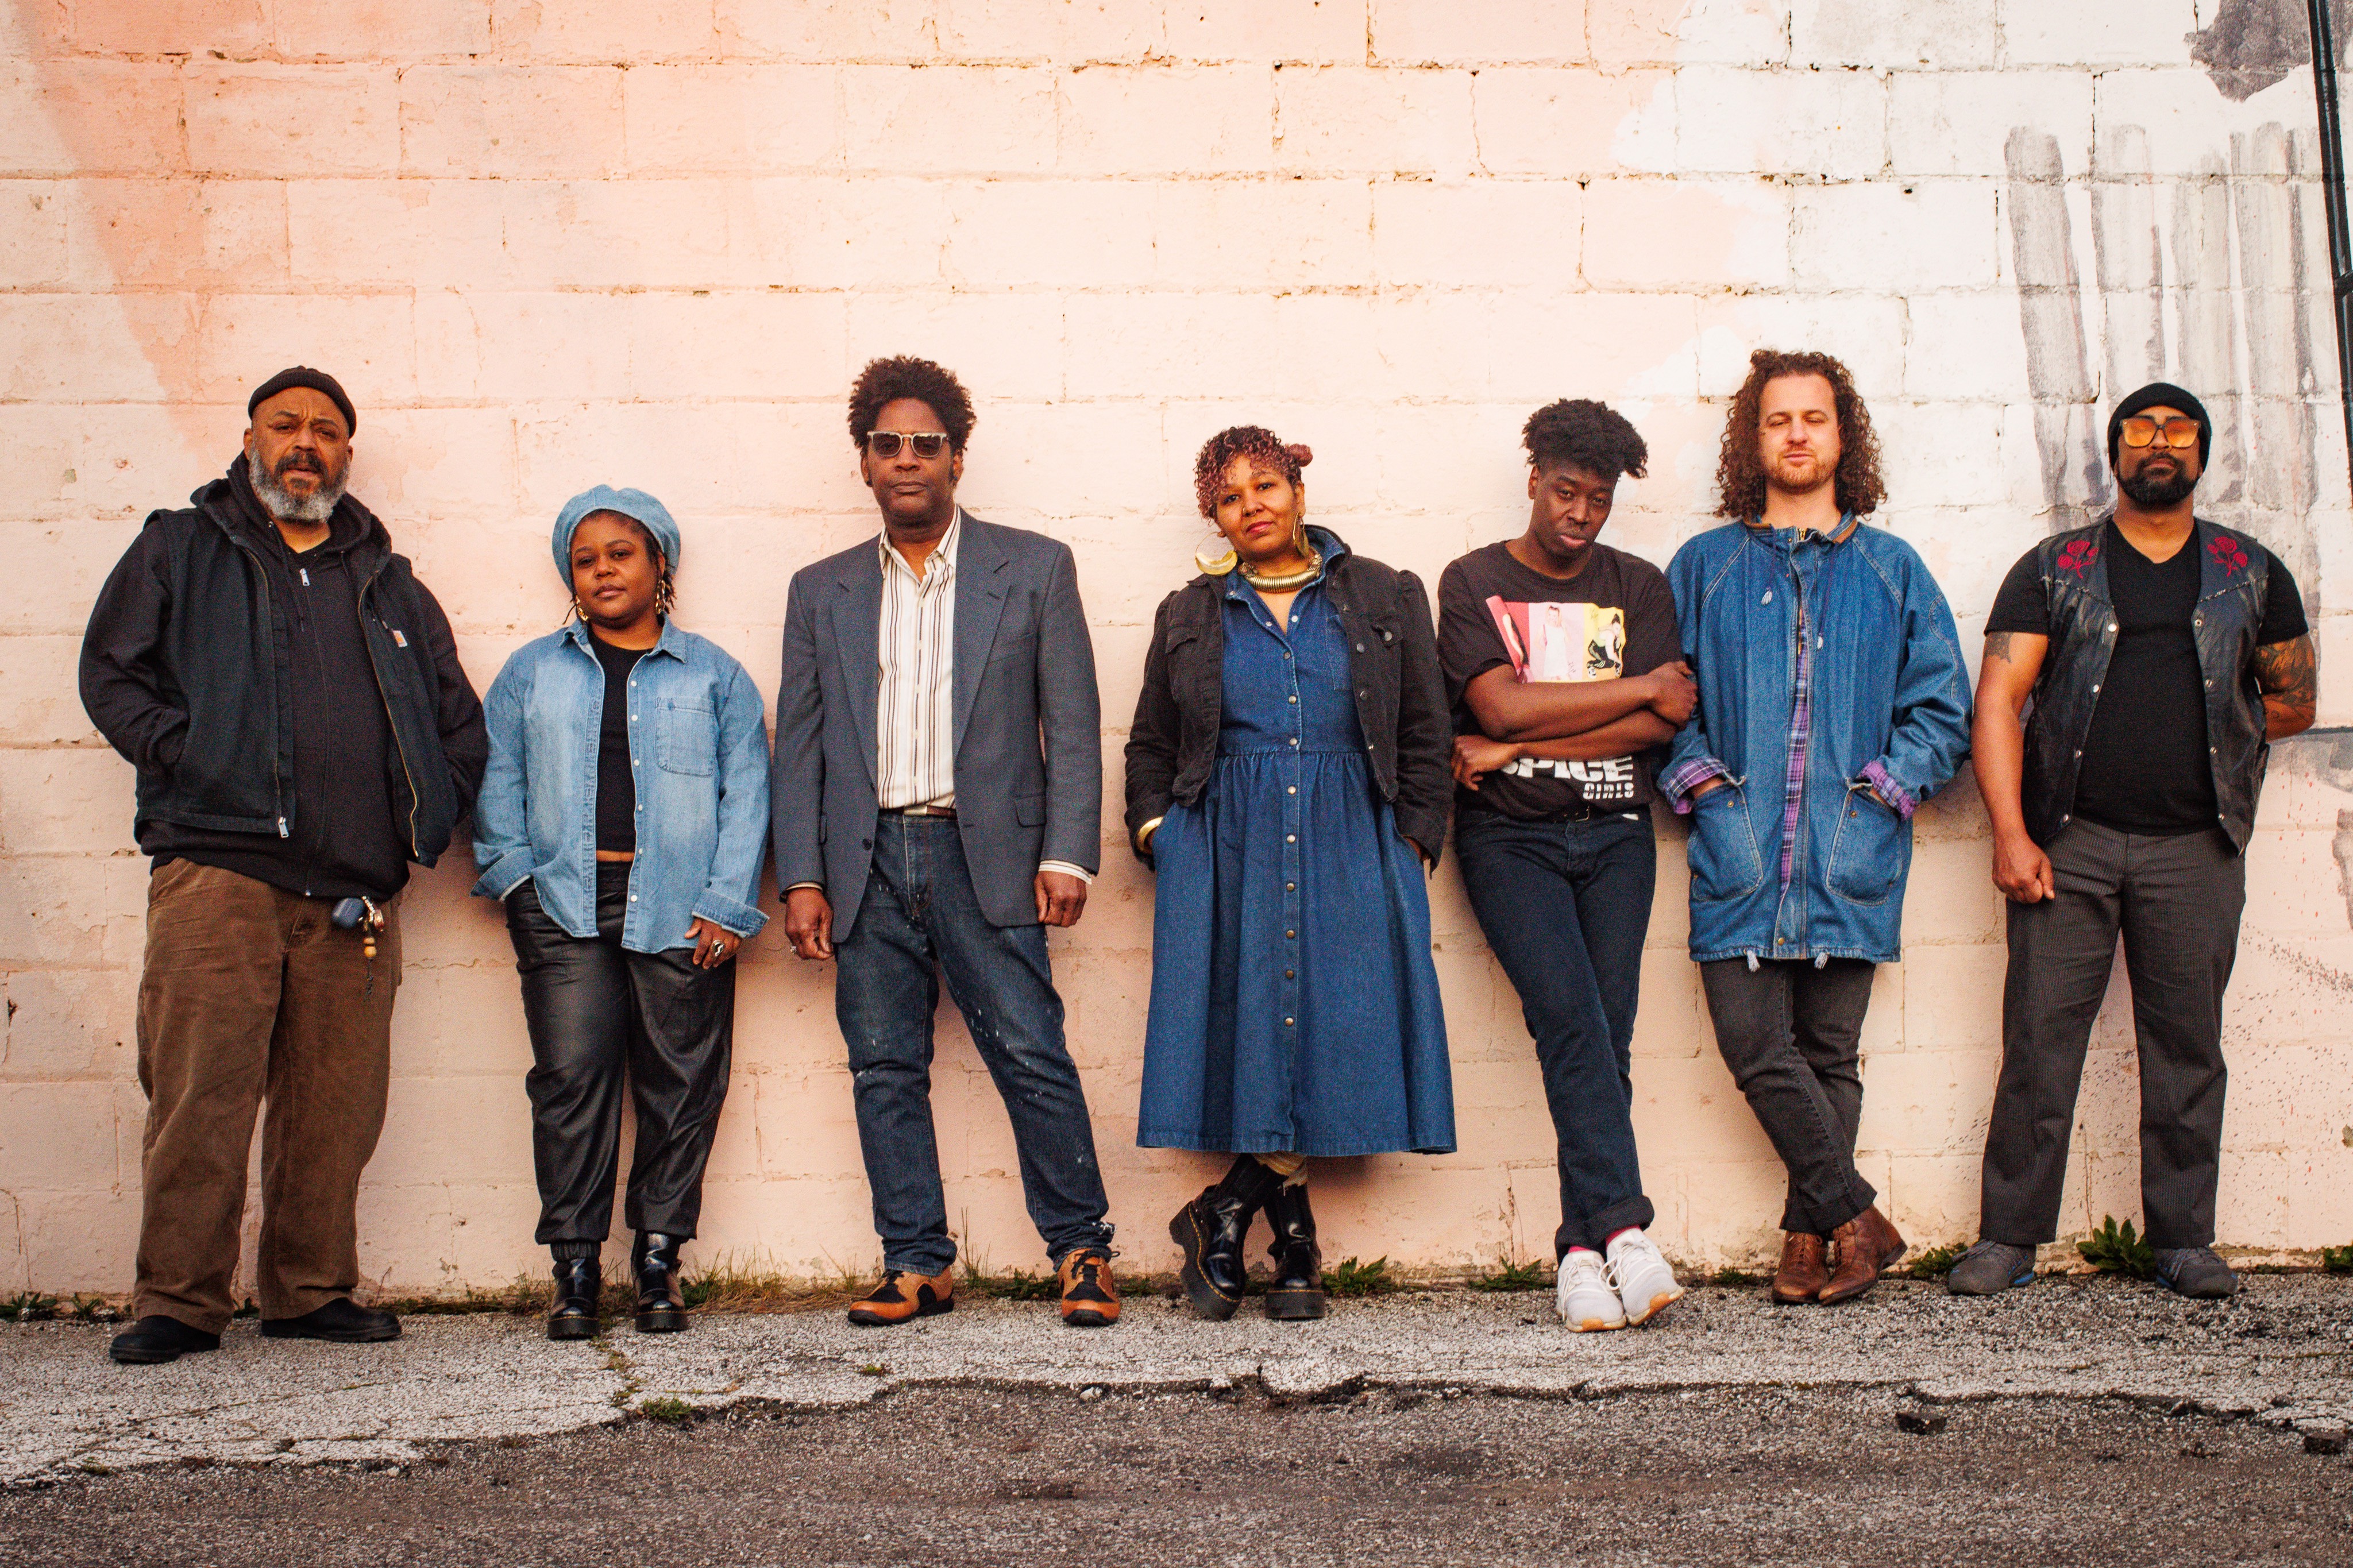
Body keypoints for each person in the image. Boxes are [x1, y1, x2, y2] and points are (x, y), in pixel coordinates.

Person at [79, 367, 487, 1365]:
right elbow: (111, 674)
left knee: (334, 1105)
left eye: (326, 430)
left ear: (347, 452)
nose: (306, 442)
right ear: (251, 439)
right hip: (218, 872)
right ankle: (179, 1300)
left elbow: (456, 724)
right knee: (199, 1092)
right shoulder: (181, 546)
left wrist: (414, 821)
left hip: (354, 890)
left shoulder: (389, 582)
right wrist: (192, 756)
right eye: (286, 424)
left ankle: (309, 1290)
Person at [1948, 384, 2316, 1301]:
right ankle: (2008, 1236)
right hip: (2067, 844)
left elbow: (2295, 700)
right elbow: (1997, 702)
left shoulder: (2250, 570)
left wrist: (2217, 738)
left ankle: (2183, 1240)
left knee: (2188, 1047)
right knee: (2039, 1042)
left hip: (2198, 846)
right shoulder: (2054, 567)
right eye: (2141, 429)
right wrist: (2011, 834)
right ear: (2114, 452)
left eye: (2179, 429)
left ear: (2202, 453)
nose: (2160, 442)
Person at [774, 356, 1119, 1330]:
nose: (907, 459)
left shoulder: (1035, 568)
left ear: (957, 458)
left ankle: (1082, 1249)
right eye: (887, 444)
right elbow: (799, 745)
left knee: (1030, 1051)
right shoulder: (821, 590)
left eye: (926, 443)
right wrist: (801, 875)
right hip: (868, 859)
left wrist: (1068, 851)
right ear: (864, 462)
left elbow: (1074, 723)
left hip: (989, 856)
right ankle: (917, 1261)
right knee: (884, 1066)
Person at [1660, 349, 1971, 1307]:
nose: (1796, 434)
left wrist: (1882, 792)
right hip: (1740, 855)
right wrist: (1709, 792)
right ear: (1752, 441)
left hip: (1851, 856)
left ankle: (1809, 1237)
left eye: (1814, 417)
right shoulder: (1703, 567)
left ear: (1844, 435)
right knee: (1757, 1047)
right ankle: (1862, 1219)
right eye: (1777, 419)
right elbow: (1664, 703)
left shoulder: (1893, 569)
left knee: (1830, 1055)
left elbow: (1942, 709)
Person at [1126, 427, 1455, 1322]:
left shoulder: (1385, 592)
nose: (1252, 507)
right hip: (1228, 841)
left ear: (1299, 492)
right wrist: (1164, 834)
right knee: (1263, 1023)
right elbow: (1151, 741)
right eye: (1230, 498)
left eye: (1265, 486)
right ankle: (1297, 1239)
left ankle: (1228, 1208)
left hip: (1356, 835)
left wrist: (1413, 841)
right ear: (1216, 517)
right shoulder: (1189, 612)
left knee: (1334, 1022)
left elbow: (1427, 729)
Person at [475, 486, 770, 1339]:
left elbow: (748, 793)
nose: (603, 571)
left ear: (659, 564)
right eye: (585, 559)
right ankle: (574, 1271)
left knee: (682, 1085)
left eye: (620, 554)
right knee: (571, 1082)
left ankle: (657, 1262)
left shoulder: (714, 675)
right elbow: (498, 786)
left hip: (684, 912)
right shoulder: (531, 673)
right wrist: (520, 888)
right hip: (563, 907)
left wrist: (726, 906)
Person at [1440, 400, 1692, 1332]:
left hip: (1618, 833)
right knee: (1572, 1021)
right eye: (1565, 491)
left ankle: (1581, 1256)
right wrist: (1629, 690)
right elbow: (1498, 707)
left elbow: (1662, 724)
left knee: (1603, 1035)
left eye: (1599, 497)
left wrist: (1520, 738)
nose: (1581, 512)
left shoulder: (1639, 585)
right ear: (1534, 479)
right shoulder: (1473, 581)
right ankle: (1626, 1228)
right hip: (1510, 841)